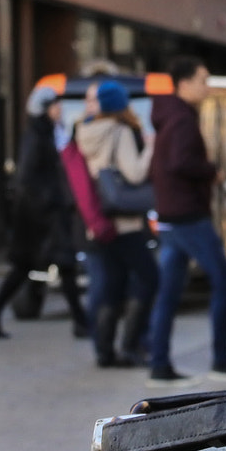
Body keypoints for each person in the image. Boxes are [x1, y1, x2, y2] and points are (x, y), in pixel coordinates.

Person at [146, 56, 226, 382]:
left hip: (171, 216)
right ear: (185, 83)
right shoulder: (181, 120)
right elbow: (180, 163)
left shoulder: (171, 115)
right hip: (187, 216)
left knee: (169, 291)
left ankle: (159, 364)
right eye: (203, 80)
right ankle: (221, 359)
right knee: (225, 281)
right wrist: (212, 172)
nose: (207, 87)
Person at [0, 79, 90, 339]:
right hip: (42, 217)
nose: (59, 110)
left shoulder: (50, 133)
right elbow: (28, 177)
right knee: (57, 266)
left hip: (45, 215)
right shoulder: (36, 136)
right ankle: (80, 322)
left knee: (44, 267)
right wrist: (51, 201)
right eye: (54, 106)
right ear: (44, 108)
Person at [75, 78, 160, 369]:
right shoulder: (120, 131)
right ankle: (130, 344)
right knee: (150, 278)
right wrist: (149, 147)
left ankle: (104, 351)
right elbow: (134, 174)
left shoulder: (84, 131)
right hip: (125, 223)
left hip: (98, 221)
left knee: (111, 285)